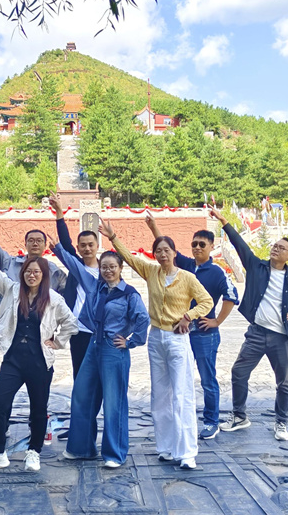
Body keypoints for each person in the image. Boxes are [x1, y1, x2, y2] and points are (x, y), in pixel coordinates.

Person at [100, 220, 213, 470]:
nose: (162, 254)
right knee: (160, 394)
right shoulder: (152, 272)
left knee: (182, 394)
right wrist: (113, 237)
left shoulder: (187, 277)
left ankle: (187, 452)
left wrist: (188, 316)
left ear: (174, 253)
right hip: (156, 338)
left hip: (177, 339)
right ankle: (166, 447)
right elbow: (130, 259)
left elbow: (207, 302)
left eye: (166, 250)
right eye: (158, 251)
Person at [210, 206, 288, 442]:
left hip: (281, 337)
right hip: (256, 334)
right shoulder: (256, 267)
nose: (275, 249)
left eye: (281, 248)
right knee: (239, 372)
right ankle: (239, 416)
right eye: (274, 245)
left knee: (284, 382)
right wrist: (223, 221)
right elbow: (240, 244)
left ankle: (281, 422)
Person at [0, 212, 67, 444]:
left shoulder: (54, 271)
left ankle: (38, 428)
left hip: (39, 336)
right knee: (4, 387)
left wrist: (59, 337)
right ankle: (1, 427)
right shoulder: (10, 263)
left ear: (44, 245)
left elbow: (68, 297)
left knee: (39, 391)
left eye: (39, 240)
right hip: (11, 333)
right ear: (25, 244)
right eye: (31, 240)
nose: (35, 243)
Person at [0, 248, 78, 473]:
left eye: (36, 272)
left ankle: (34, 452)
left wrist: (57, 342)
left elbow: (71, 323)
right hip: (13, 360)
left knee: (38, 409)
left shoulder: (54, 299)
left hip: (39, 362)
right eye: (28, 271)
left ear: (44, 275)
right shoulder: (13, 290)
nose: (31, 275)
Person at [53, 241, 149, 467]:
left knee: (113, 402)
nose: (108, 271)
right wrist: (58, 248)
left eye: (112, 267)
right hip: (93, 345)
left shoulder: (129, 294)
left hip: (114, 350)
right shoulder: (96, 287)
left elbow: (143, 318)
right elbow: (76, 266)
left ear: (120, 268)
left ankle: (114, 454)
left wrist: (131, 341)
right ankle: (81, 448)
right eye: (104, 267)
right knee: (82, 395)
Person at [145, 212, 239, 439]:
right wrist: (153, 226)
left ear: (211, 247)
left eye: (202, 244)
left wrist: (217, 320)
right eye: (194, 244)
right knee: (179, 379)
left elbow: (232, 296)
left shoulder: (217, 272)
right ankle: (179, 421)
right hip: (180, 333)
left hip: (204, 333)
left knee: (207, 379)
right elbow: (166, 248)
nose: (197, 248)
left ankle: (211, 421)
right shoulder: (187, 265)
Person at [48, 194, 98, 379]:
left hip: (99, 328)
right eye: (83, 245)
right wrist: (59, 212)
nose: (87, 248)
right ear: (78, 247)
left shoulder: (107, 270)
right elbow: (65, 243)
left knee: (99, 373)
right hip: (78, 328)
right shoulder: (76, 266)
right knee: (80, 373)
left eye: (90, 245)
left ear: (97, 245)